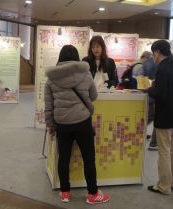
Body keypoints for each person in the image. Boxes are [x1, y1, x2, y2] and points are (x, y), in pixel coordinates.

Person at [44, 45, 110, 204]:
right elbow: (93, 96)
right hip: (82, 122)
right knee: (88, 158)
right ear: (76, 57)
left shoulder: (51, 79)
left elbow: (48, 106)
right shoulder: (85, 74)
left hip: (62, 123)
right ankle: (93, 194)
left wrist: (50, 124)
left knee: (64, 158)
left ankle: (65, 192)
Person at [147, 40, 173, 194]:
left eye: (153, 53)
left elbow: (162, 96)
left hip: (166, 116)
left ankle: (164, 186)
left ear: (157, 51)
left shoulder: (162, 68)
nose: (153, 56)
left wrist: (150, 89)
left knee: (164, 151)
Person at [143, 57, 159, 151]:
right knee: (157, 118)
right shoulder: (160, 64)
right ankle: (153, 143)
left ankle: (139, 131)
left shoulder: (145, 63)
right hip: (156, 93)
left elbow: (143, 79)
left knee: (150, 116)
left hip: (148, 92)